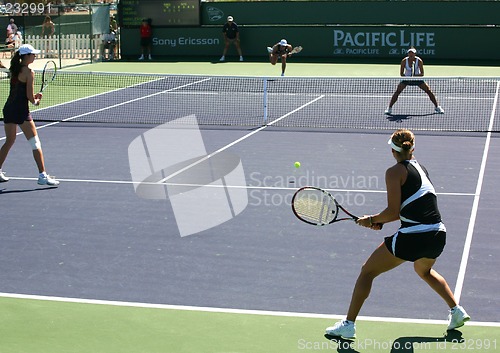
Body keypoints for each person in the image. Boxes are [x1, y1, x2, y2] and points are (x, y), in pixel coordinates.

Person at [325, 129, 469, 339]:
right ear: (412, 148)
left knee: (367, 272)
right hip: (437, 234)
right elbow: (410, 209)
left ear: (393, 152)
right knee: (424, 270)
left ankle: (348, 325)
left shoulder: (393, 172)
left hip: (414, 236)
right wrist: (379, 222)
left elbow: (393, 212)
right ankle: (457, 311)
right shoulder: (421, 168)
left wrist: (372, 220)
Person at [0, 44, 59, 186]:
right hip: (21, 112)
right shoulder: (29, 72)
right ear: (26, 56)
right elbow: (30, 98)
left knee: (9, 141)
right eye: (33, 54)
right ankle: (42, 176)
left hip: (8, 109)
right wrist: (36, 100)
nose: (35, 56)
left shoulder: (15, 69)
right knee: (35, 143)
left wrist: (33, 97)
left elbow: (21, 92)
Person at [385, 47, 444, 115]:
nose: (411, 55)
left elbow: (422, 74)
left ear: (415, 54)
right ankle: (389, 108)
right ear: (408, 54)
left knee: (428, 91)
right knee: (397, 91)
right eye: (409, 53)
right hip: (407, 79)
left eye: (412, 53)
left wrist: (415, 77)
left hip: (417, 79)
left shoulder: (419, 61)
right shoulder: (404, 61)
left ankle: (437, 107)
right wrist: (408, 78)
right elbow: (401, 73)